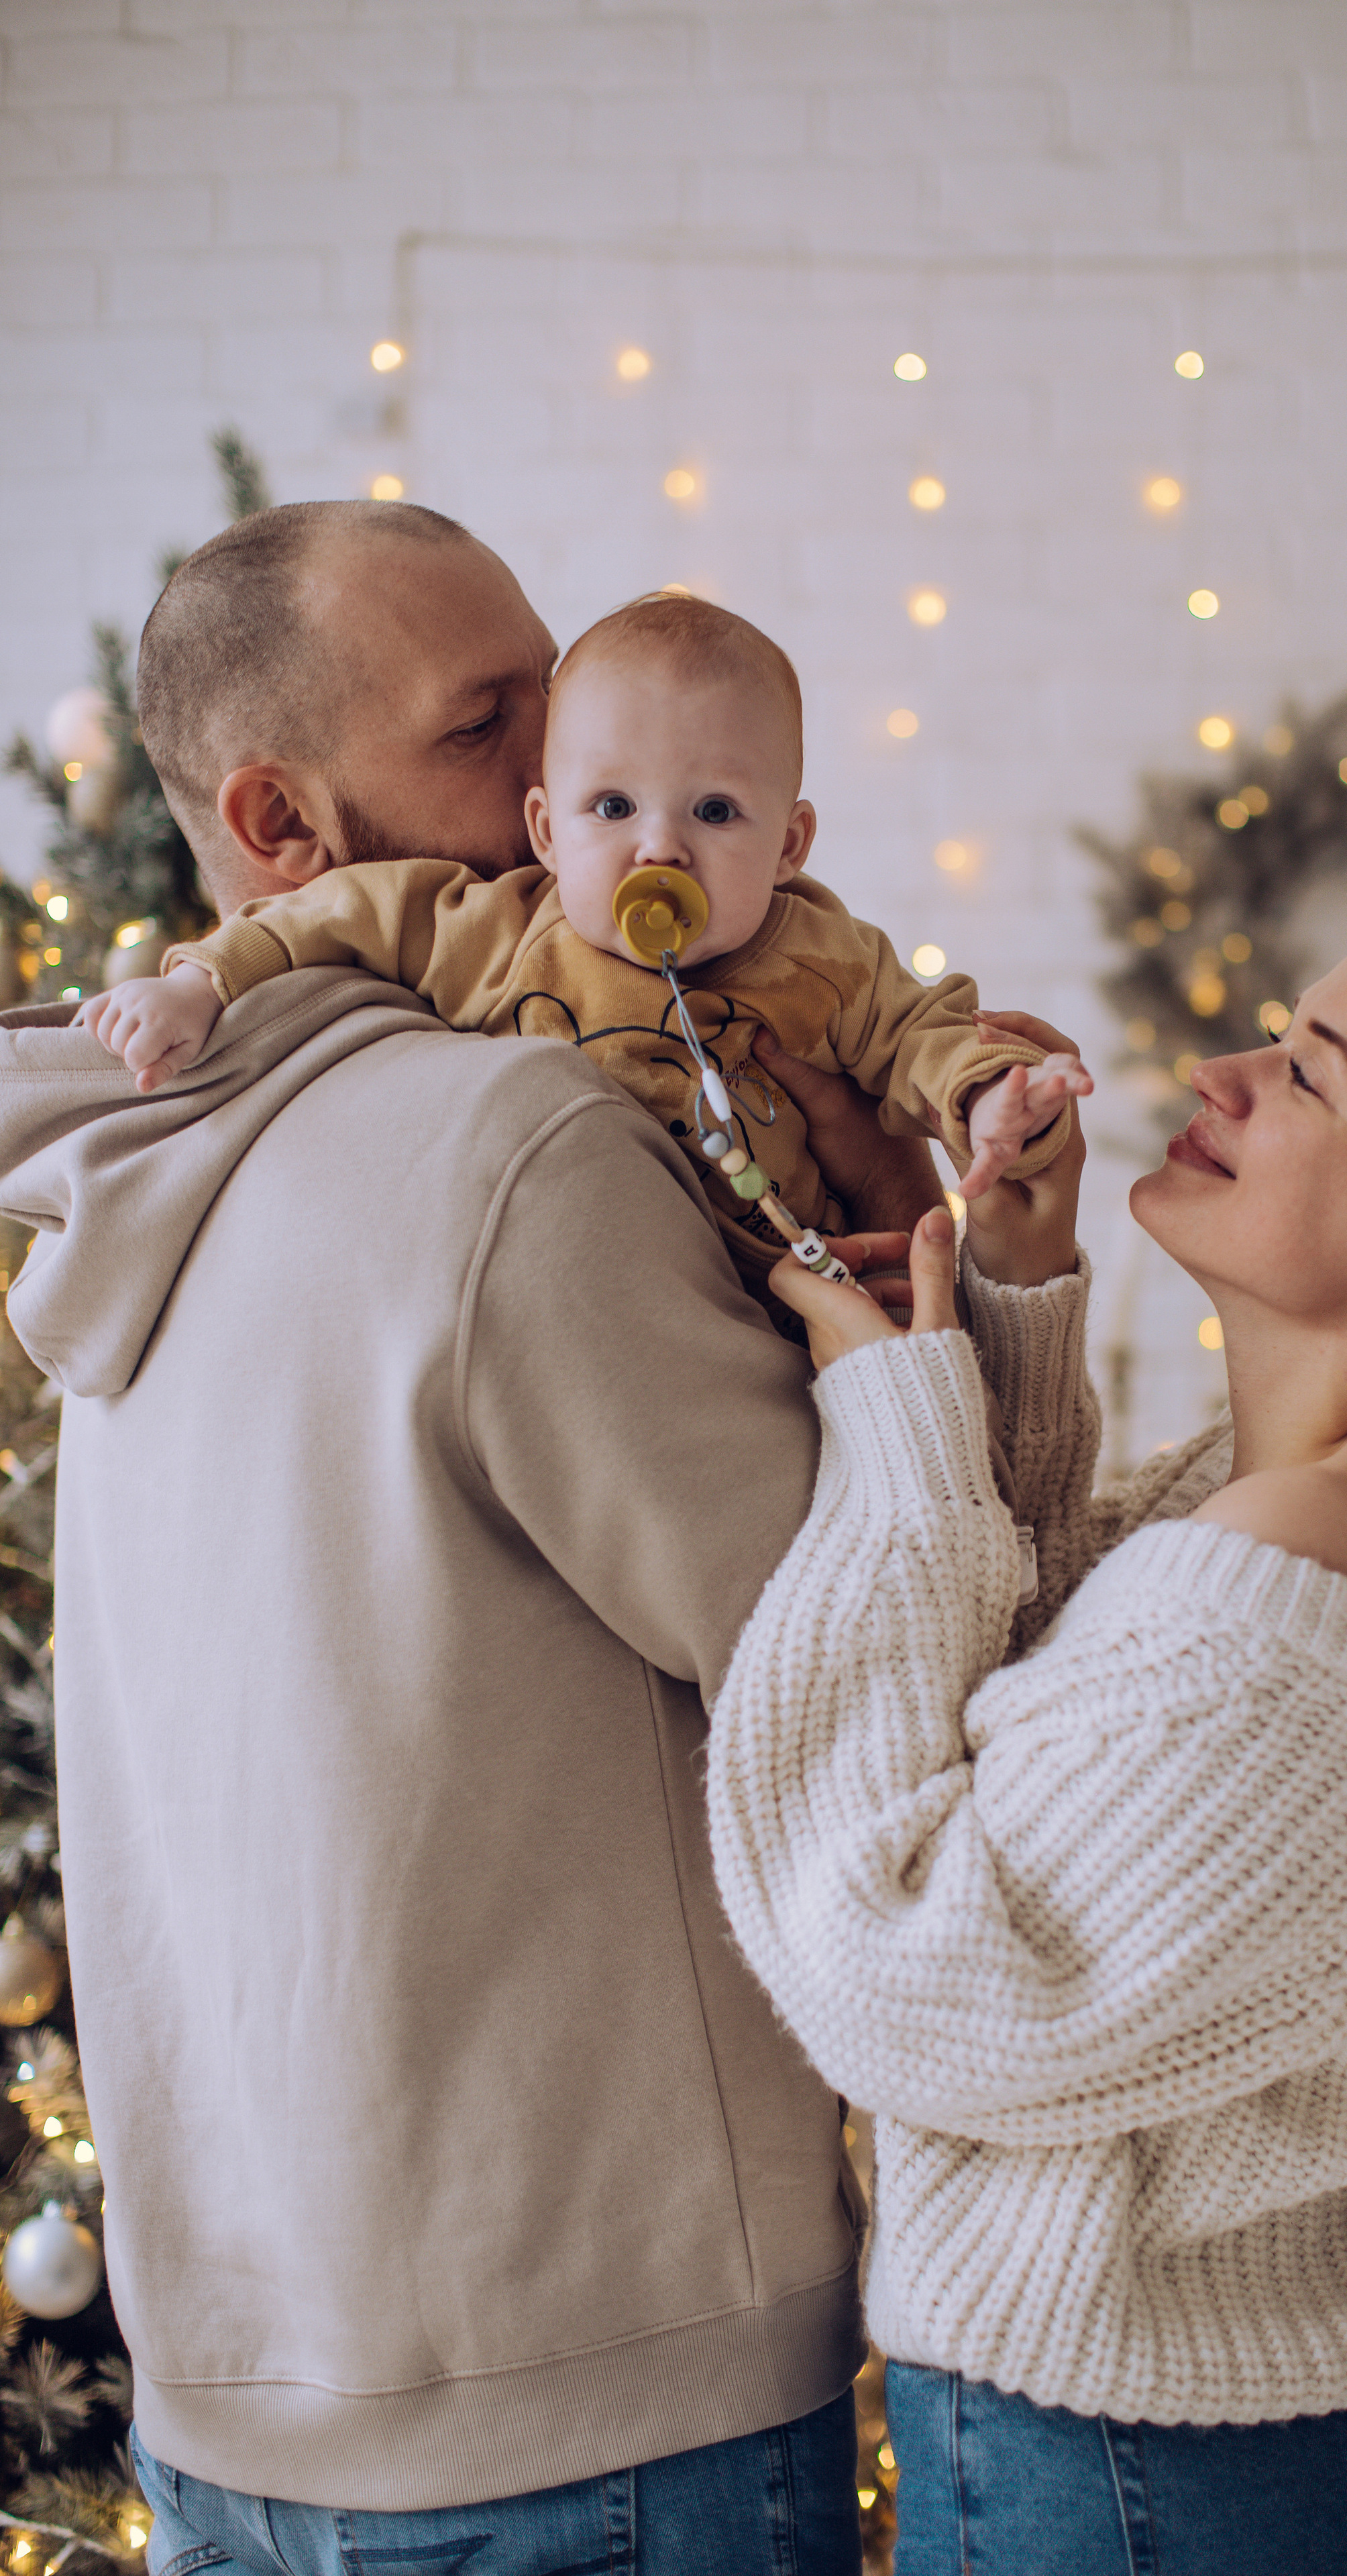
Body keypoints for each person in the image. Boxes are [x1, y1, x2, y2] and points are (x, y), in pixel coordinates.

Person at [0, 496, 949, 2575]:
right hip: (588, 2402)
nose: (560, 781)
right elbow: (872, 1663)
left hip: (228, 2403)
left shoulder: (125, 1182)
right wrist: (971, 1319)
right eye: (488, 724)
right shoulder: (520, 1147)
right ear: (277, 819)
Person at [705, 927, 1347, 2576]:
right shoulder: (1324, 1536)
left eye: (1308, 1072)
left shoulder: (1304, 1598)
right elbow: (1044, 1718)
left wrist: (895, 1433)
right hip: (1215, 2483)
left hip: (1156, 2504)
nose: (1218, 1076)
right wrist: (1005, 1310)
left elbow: (899, 1965)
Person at [81, 589, 1090, 1302]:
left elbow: (925, 1032)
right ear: (548, 832)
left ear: (789, 845)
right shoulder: (502, 930)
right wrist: (202, 982)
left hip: (801, 1310)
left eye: (717, 809)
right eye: (612, 805)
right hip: (629, 1302)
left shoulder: (822, 955)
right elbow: (329, 917)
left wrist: (991, 1096)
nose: (660, 843)